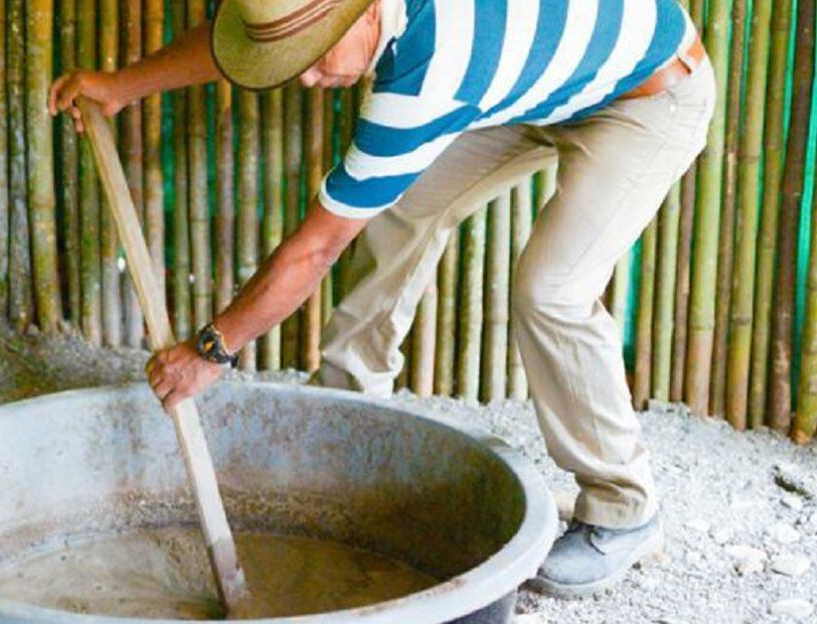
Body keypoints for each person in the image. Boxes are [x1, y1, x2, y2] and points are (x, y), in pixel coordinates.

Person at [49, 0, 714, 598]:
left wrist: (213, 347)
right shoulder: (367, 21)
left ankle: (625, 512)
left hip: (646, 96)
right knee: (398, 210)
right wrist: (118, 86)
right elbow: (251, 40)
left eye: (313, 61)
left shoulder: (428, 74)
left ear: (362, 14)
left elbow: (315, 249)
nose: (307, 79)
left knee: (551, 290)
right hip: (534, 86)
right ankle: (348, 411)